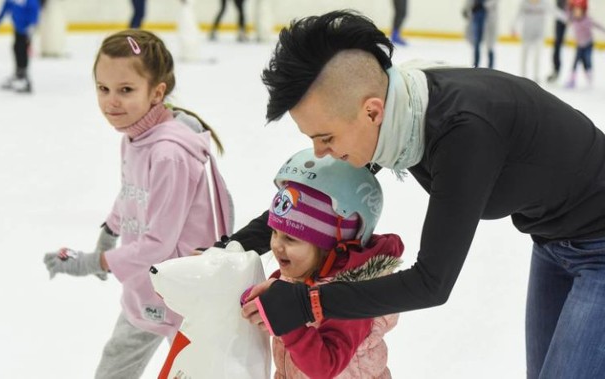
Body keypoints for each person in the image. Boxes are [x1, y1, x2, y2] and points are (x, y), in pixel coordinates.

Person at [232, 10, 605, 379]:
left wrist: (306, 303)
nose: (318, 153)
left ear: (371, 112)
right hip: (554, 239)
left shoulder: (462, 134)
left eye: (326, 138)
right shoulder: (404, 105)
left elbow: (432, 283)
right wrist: (232, 246)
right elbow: (315, 196)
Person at [42, 30, 233, 379]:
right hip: (146, 290)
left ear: (157, 92)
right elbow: (132, 190)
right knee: (114, 367)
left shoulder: (168, 154)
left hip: (185, 297)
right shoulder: (135, 134)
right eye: (103, 88)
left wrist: (92, 262)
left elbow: (158, 244)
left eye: (125, 90)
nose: (111, 102)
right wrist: (109, 230)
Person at [246, 148, 403, 378]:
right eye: (275, 232)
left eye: (291, 238)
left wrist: (287, 318)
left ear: (333, 246)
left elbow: (325, 366)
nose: (277, 246)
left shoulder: (354, 299)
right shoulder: (297, 271)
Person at [0, 0, 40, 93]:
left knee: (22, 51)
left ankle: (25, 79)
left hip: (26, 30)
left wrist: (32, 27)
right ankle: (19, 74)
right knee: (16, 48)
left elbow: (34, 11)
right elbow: (5, 7)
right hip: (18, 28)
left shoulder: (30, 1)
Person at [511, 0, 556, 83]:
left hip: (539, 36)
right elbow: (517, 15)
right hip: (526, 35)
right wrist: (513, 27)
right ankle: (523, 76)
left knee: (537, 57)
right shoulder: (524, 3)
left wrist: (567, 18)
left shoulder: (544, 4)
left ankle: (536, 76)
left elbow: (555, 12)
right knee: (524, 56)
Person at [564, 0, 605, 88]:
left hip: (588, 45)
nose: (576, 12)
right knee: (575, 62)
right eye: (574, 10)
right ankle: (572, 79)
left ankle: (589, 75)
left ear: (583, 11)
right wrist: (569, 5)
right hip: (579, 45)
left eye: (578, 10)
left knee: (587, 60)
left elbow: (597, 25)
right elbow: (567, 14)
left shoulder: (587, 20)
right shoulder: (572, 19)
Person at [462, 0, 498, 68]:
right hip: (477, 15)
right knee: (476, 42)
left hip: (489, 16)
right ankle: (476, 65)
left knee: (489, 45)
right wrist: (466, 8)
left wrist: (483, 5)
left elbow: (494, 2)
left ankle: (491, 68)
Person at [547, 0, 568, 83]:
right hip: (560, 18)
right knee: (557, 45)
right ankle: (556, 70)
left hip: (571, 16)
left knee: (557, 45)